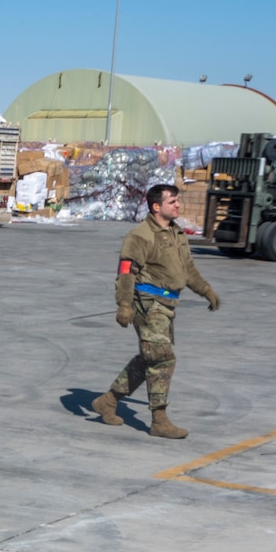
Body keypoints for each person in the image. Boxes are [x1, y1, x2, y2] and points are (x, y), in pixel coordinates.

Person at [95, 182, 222, 440]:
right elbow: (125, 272)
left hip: (167, 305)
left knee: (149, 357)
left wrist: (206, 290)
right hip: (148, 305)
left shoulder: (177, 233)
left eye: (177, 200)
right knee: (163, 358)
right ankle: (159, 420)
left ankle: (108, 401)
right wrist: (124, 305)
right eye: (172, 201)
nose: (178, 205)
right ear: (156, 206)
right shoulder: (140, 236)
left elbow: (187, 270)